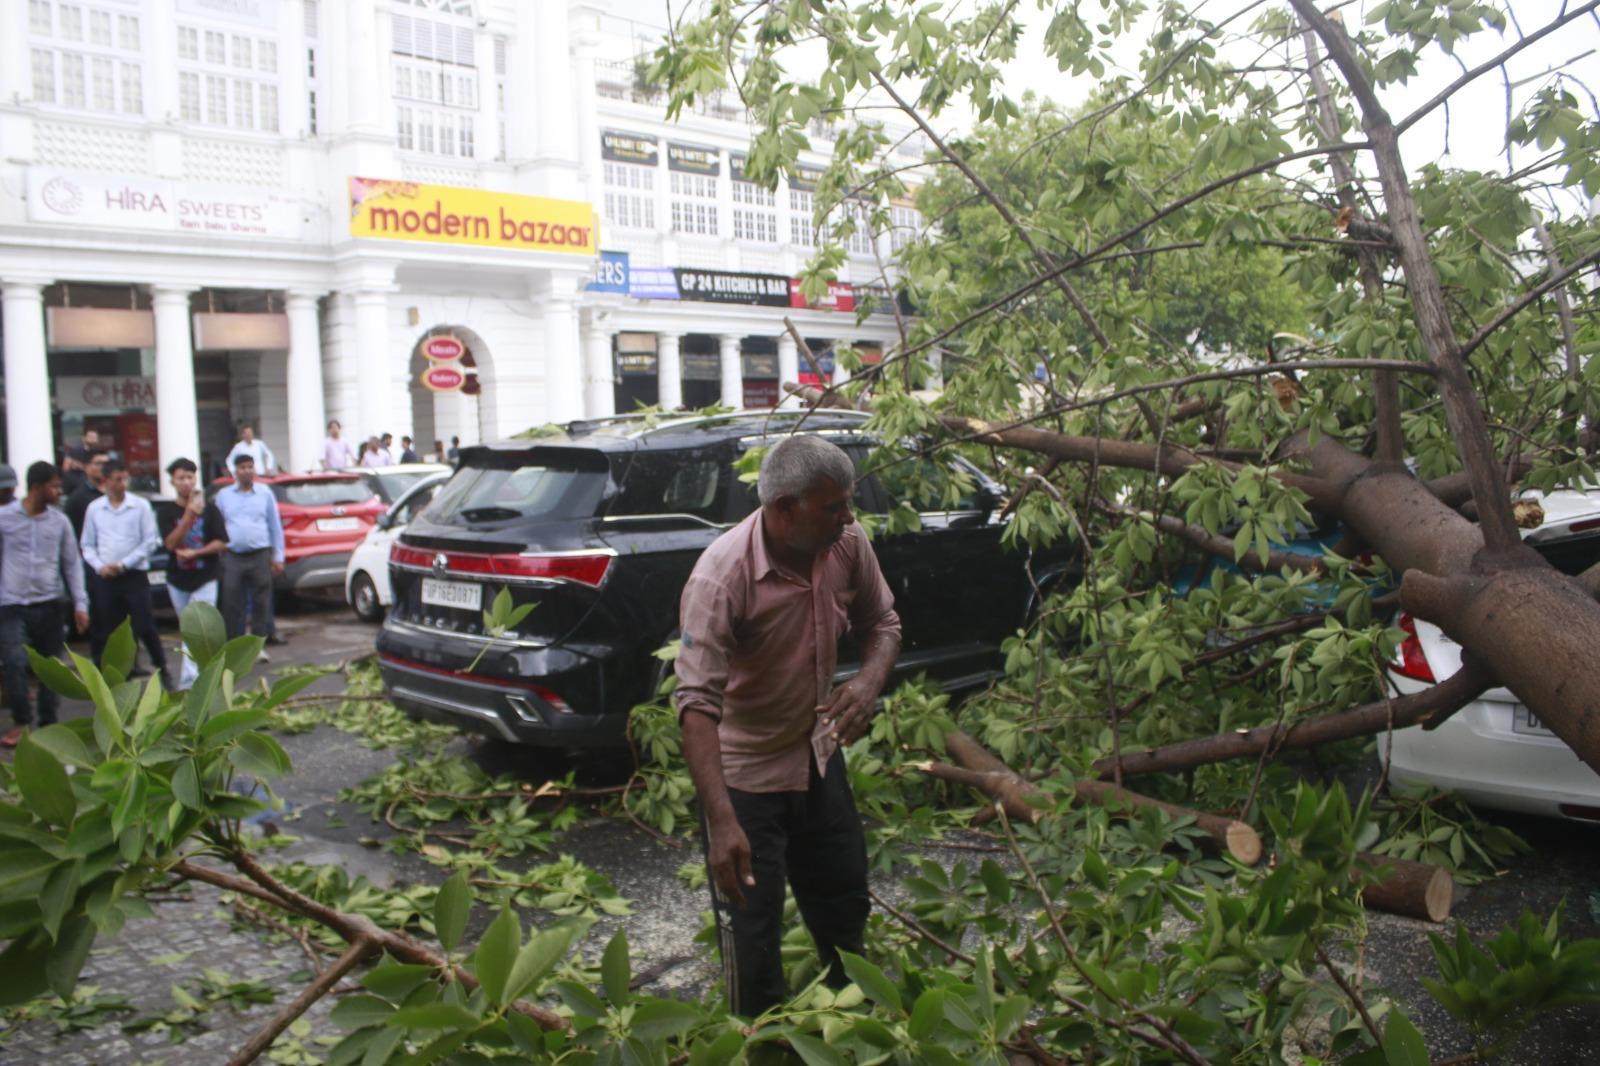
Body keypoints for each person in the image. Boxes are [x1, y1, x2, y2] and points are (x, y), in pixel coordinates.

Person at [674, 435, 901, 1017]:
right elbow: (696, 704)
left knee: (844, 912)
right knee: (752, 948)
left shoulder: (847, 544)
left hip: (818, 759)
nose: (848, 517)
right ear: (784, 509)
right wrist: (721, 822)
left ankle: (846, 1034)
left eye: (847, 502)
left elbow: (884, 622)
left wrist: (867, 681)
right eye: (833, 506)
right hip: (745, 781)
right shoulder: (721, 578)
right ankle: (762, 1047)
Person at [0, 463, 89, 747]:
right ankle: (22, 721)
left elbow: (72, 564)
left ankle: (49, 724)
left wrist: (80, 604)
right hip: (11, 605)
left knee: (51, 667)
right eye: (53, 486)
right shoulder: (4, 519)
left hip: (50, 603)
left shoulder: (59, 521)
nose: (58, 491)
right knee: (14, 663)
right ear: (36, 487)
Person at [79, 459, 169, 686]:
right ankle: (114, 675)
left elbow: (149, 541)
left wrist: (123, 564)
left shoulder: (140, 506)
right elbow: (87, 545)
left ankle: (162, 669)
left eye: (125, 479)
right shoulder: (95, 509)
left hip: (133, 574)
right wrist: (101, 566)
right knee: (109, 627)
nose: (122, 484)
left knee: (144, 623)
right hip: (106, 577)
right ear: (106, 481)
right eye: (117, 480)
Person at [160, 458, 229, 688]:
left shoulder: (210, 509)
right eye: (181, 478)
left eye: (190, 477)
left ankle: (191, 683)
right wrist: (188, 516)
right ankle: (199, 679)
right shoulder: (166, 511)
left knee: (199, 629)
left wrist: (196, 553)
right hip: (178, 580)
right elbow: (170, 544)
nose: (186, 482)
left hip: (206, 577)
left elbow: (222, 542)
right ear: (172, 481)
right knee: (187, 630)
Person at [214, 454, 285, 643]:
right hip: (232, 556)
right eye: (242, 467)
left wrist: (278, 556)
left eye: (250, 467)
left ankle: (256, 644)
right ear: (235, 471)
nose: (247, 471)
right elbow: (217, 526)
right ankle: (234, 645)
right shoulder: (224, 496)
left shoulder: (265, 493)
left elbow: (274, 525)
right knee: (231, 603)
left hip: (260, 555)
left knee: (261, 602)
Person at [65, 449, 108, 538]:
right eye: (98, 464)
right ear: (86, 467)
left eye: (106, 464)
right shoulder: (77, 498)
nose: (103, 468)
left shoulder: (116, 494)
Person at [61, 428, 100, 495]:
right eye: (91, 437)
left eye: (95, 437)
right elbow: (66, 467)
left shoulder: (97, 452)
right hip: (77, 482)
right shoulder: (76, 450)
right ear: (84, 438)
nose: (93, 439)